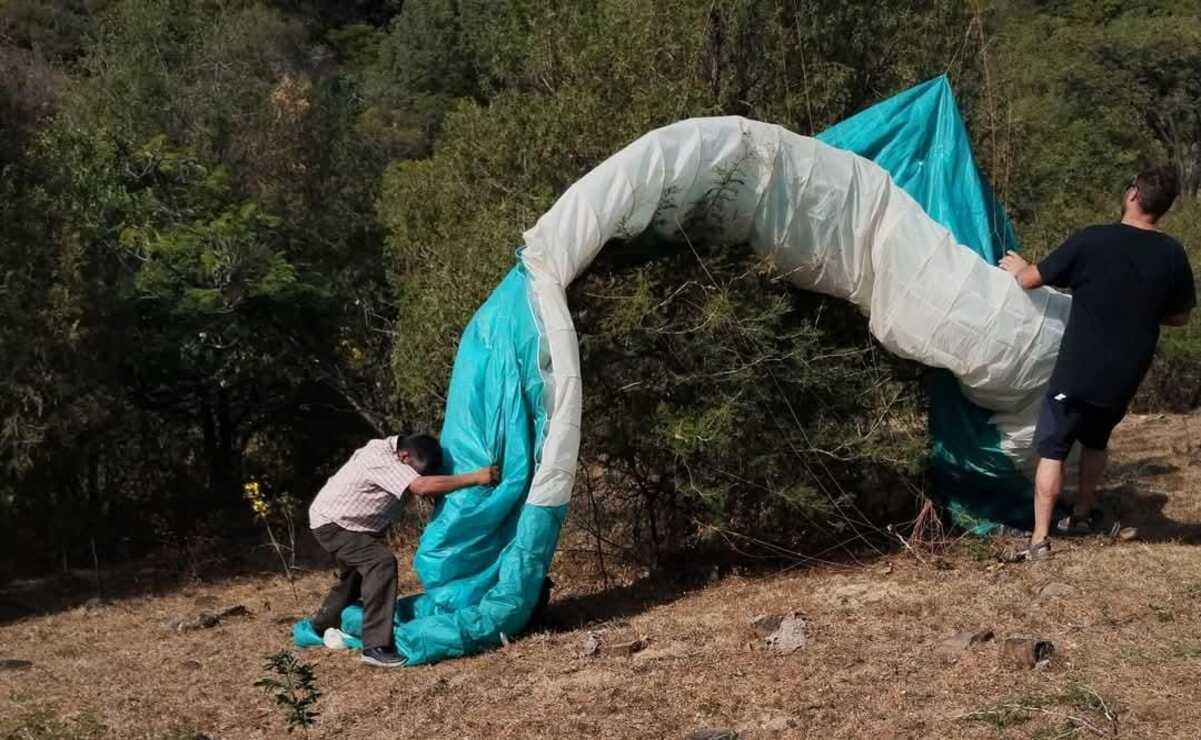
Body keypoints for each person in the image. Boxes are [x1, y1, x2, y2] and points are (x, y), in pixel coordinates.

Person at [999, 165, 1195, 561]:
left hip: (1080, 370)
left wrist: (1019, 268)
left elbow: (1032, 280)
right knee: (1097, 439)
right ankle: (1083, 515)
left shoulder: (1094, 240)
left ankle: (1039, 540)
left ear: (1133, 193)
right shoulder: (1173, 254)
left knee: (1052, 449)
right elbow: (1180, 317)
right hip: (1125, 375)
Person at [307, 433, 499, 667]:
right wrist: (476, 477)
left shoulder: (397, 455)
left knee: (353, 578)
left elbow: (419, 485)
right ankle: (375, 647)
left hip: (352, 525)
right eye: (417, 471)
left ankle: (322, 624)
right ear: (404, 456)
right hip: (334, 524)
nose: (417, 477)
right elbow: (420, 487)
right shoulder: (380, 457)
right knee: (381, 563)